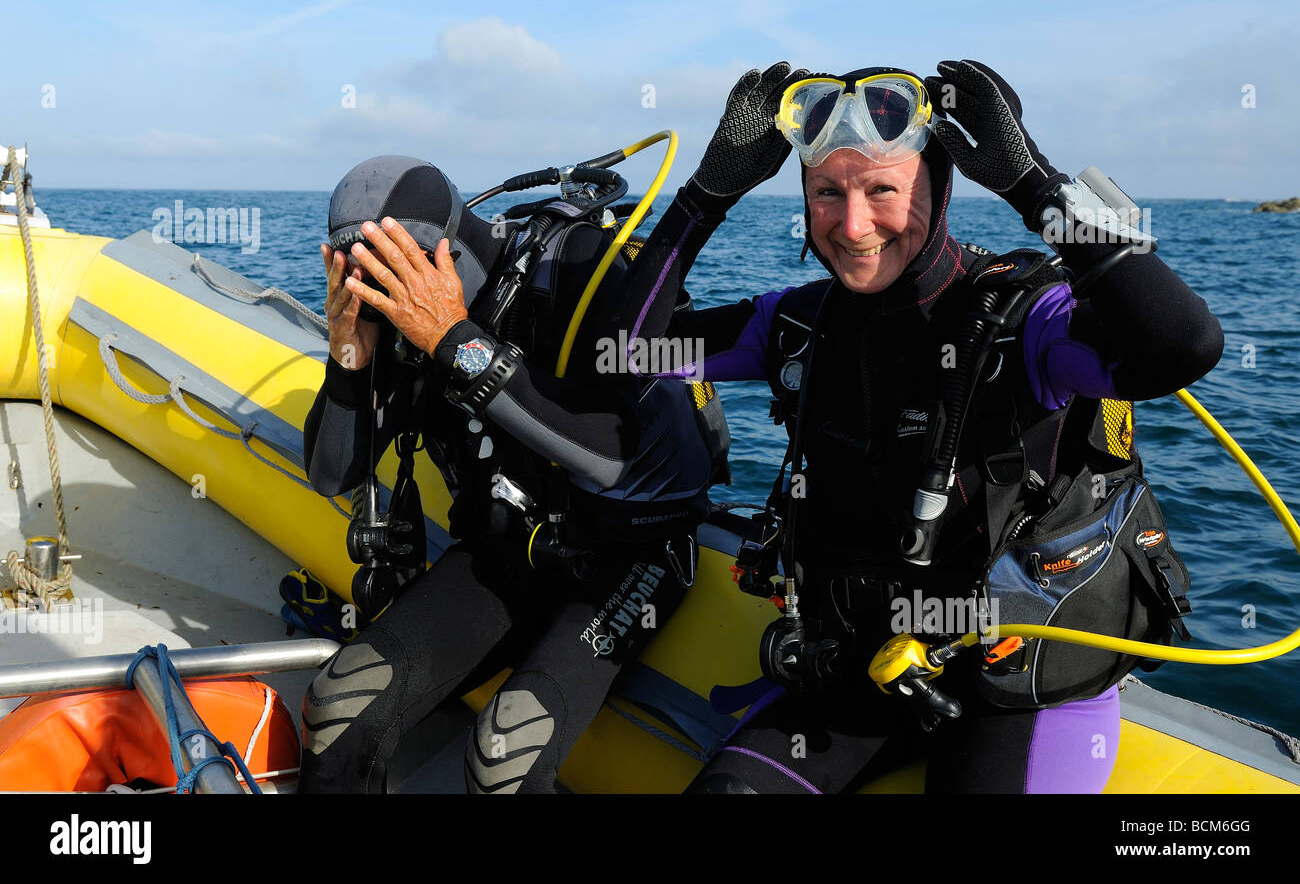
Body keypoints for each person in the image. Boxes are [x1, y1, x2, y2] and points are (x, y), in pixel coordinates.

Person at [613, 60, 1222, 793]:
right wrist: (708, 195)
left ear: (937, 192)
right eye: (826, 194)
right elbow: (621, 352)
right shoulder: (796, 325)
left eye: (882, 190)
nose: (853, 224)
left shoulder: (1024, 323)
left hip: (1015, 684)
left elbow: (1182, 344)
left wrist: (1034, 184)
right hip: (861, 670)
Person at [297, 155, 728, 793]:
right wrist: (348, 355)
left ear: (440, 251)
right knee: (337, 705)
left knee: (505, 748)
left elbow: (616, 459)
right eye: (358, 269)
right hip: (505, 552)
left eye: (396, 263)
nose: (385, 287)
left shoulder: (581, 271)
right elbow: (334, 474)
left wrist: (455, 339)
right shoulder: (394, 314)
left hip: (626, 556)